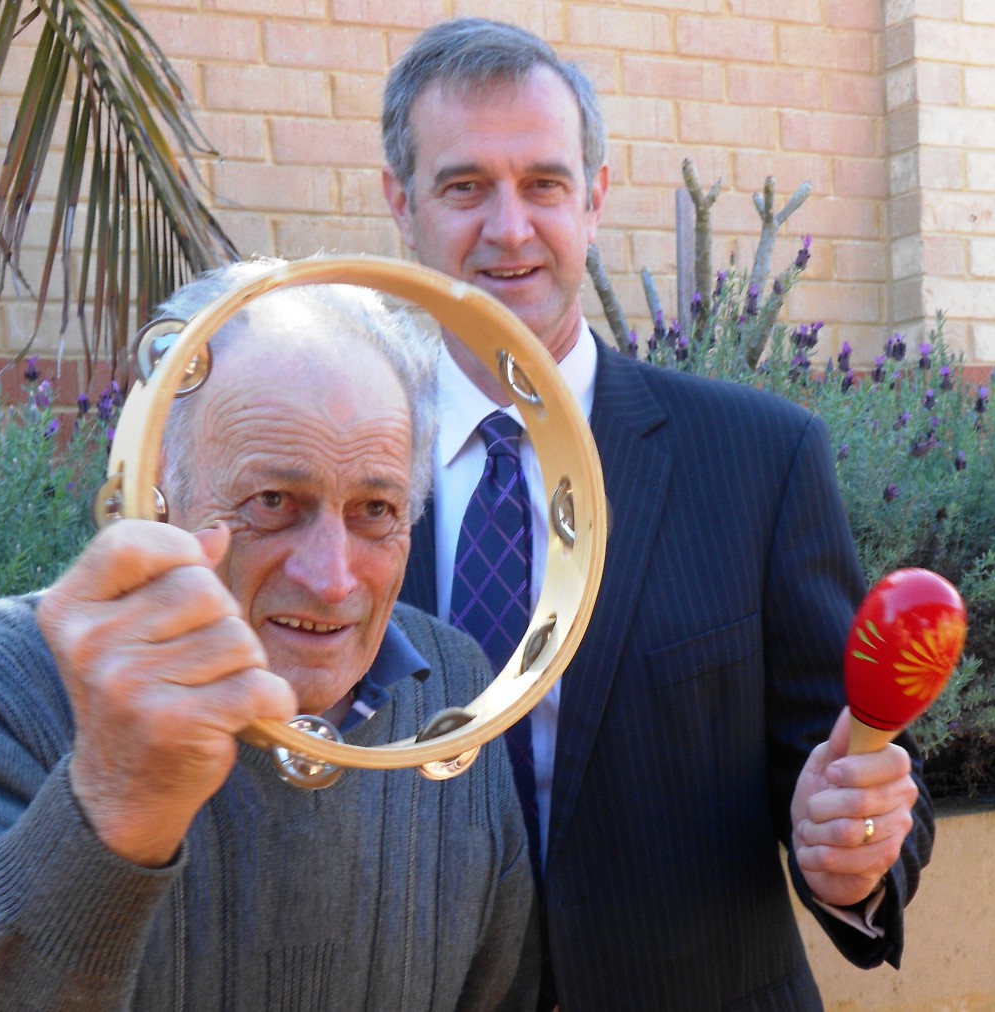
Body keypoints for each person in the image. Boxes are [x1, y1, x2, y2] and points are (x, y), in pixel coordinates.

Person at [381, 17, 934, 1011]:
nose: (509, 228)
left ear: (593, 197)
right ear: (401, 204)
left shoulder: (758, 461)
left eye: (543, 183)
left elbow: (852, 769)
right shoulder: (336, 484)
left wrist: (850, 844)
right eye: (464, 186)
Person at [0, 261, 538, 1010]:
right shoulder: (0, 686)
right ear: (156, 497)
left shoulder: (455, 684)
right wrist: (116, 803)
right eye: (274, 501)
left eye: (375, 510)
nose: (333, 579)